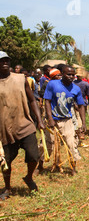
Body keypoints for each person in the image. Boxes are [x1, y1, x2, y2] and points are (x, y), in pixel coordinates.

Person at [0, 51, 45, 200]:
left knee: (34, 155)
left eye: (7, 60)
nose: (5, 62)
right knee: (5, 161)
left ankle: (29, 177)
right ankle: (7, 187)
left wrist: (39, 120)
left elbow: (32, 100)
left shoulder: (21, 79)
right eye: (2, 60)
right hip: (5, 128)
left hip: (24, 124)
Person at [42, 65, 86, 176]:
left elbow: (81, 106)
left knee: (71, 144)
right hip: (53, 120)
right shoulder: (52, 84)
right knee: (48, 145)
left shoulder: (76, 89)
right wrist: (50, 118)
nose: (71, 77)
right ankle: (39, 166)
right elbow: (47, 101)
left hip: (67, 120)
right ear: (62, 74)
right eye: (68, 74)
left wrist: (83, 123)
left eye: (73, 74)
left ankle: (73, 167)